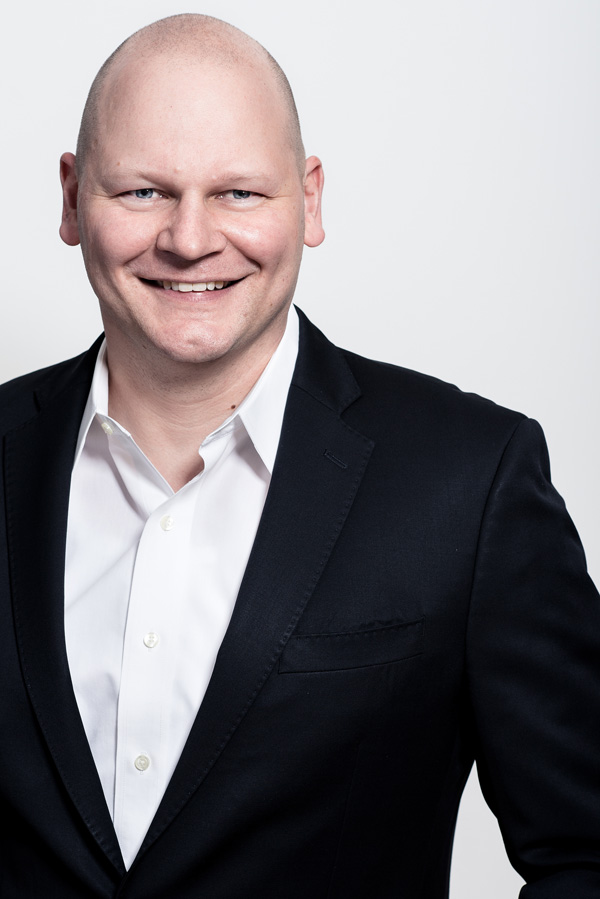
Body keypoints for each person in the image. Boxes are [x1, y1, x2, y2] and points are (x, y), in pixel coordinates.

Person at [1, 12, 599, 898]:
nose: (190, 238)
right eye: (143, 192)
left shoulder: (470, 481)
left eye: (240, 193)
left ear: (310, 201)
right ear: (71, 197)